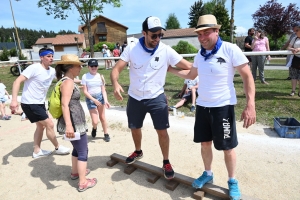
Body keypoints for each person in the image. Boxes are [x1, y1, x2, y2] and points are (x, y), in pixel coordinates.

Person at [168, 14, 256, 199]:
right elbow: (191, 75)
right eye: (199, 34)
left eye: (206, 33)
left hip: (223, 107)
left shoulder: (230, 49)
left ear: (217, 31)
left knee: (227, 147)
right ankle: (208, 173)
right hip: (202, 106)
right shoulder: (200, 54)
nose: (202, 38)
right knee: (205, 143)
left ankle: (232, 181)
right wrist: (170, 69)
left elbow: (248, 77)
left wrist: (250, 105)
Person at [110, 16, 192, 180]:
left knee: (162, 132)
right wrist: (115, 83)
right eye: (153, 35)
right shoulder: (132, 48)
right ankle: (138, 150)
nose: (157, 39)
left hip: (156, 98)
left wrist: (177, 69)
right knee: (135, 128)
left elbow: (189, 67)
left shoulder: (166, 50)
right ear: (144, 33)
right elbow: (116, 69)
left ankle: (166, 161)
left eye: (160, 35)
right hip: (135, 97)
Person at [10, 47, 70, 158]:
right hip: (29, 103)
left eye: (52, 56)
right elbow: (17, 81)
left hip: (40, 103)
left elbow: (64, 80)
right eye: (48, 56)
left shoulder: (52, 71)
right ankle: (57, 147)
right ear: (41, 57)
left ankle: (37, 151)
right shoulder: (34, 68)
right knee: (49, 124)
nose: (51, 58)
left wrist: (83, 82)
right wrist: (14, 100)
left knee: (41, 126)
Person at [55, 54, 97, 192]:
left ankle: (75, 172)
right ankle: (83, 182)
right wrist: (69, 126)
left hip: (75, 121)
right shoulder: (68, 83)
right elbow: (64, 105)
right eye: (78, 65)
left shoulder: (67, 80)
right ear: (71, 67)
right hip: (74, 122)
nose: (81, 67)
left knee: (77, 148)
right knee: (83, 151)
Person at [81, 59, 111, 141]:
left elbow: (103, 90)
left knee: (102, 117)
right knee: (95, 121)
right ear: (88, 67)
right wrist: (93, 100)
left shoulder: (100, 76)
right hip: (91, 99)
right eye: (91, 66)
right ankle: (94, 128)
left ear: (97, 67)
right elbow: (85, 91)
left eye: (95, 66)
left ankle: (106, 133)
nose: (93, 67)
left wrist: (106, 100)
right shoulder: (85, 76)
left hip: (100, 98)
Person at [286, 23, 300, 96]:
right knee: (294, 76)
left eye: (297, 30)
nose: (295, 32)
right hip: (295, 59)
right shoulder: (294, 38)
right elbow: (289, 47)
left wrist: (299, 49)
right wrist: (293, 49)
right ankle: (293, 91)